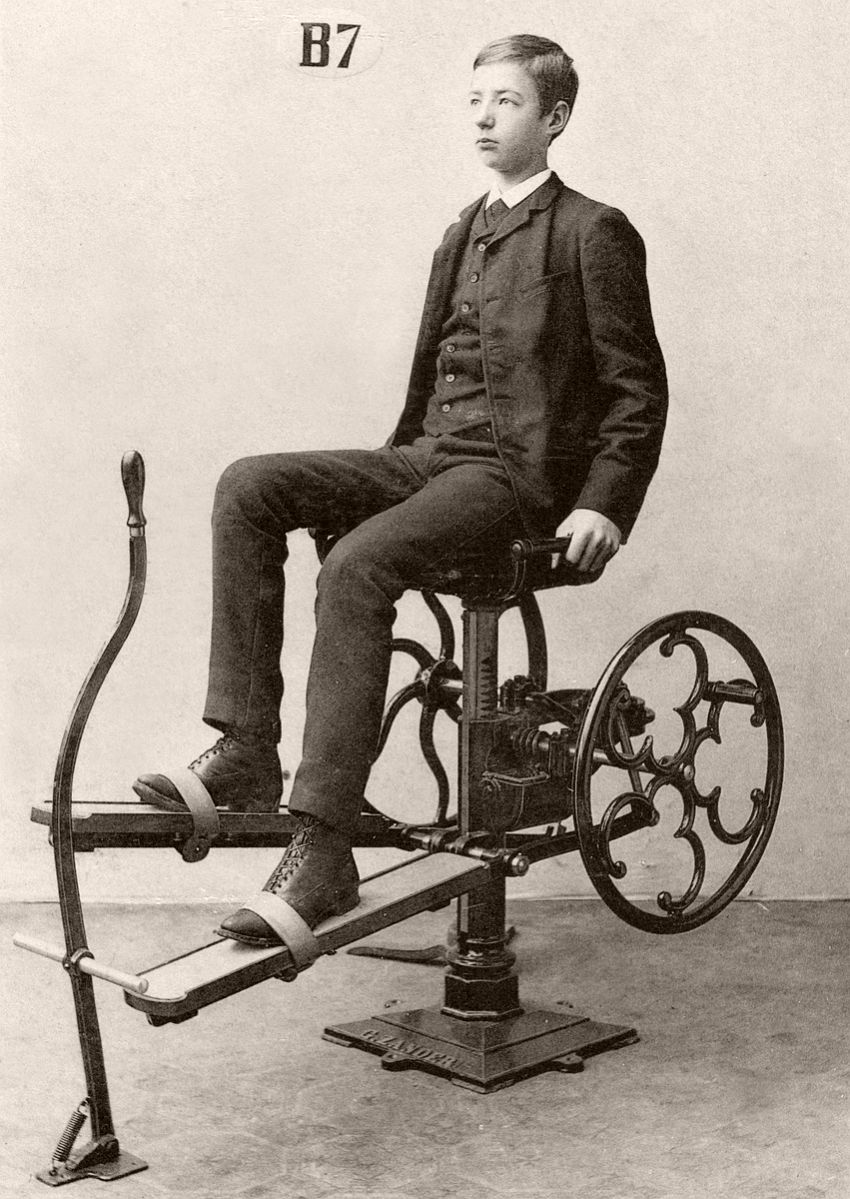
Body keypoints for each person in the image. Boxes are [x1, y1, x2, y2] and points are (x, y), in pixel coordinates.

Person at [134, 34, 668, 948]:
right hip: (429, 458)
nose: (483, 118)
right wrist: (395, 473)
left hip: (514, 479)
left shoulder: (592, 230)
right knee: (249, 486)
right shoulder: (462, 229)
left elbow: (637, 389)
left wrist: (603, 502)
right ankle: (248, 747)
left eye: (506, 102)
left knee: (357, 565)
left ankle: (324, 844)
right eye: (475, 101)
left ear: (555, 118)